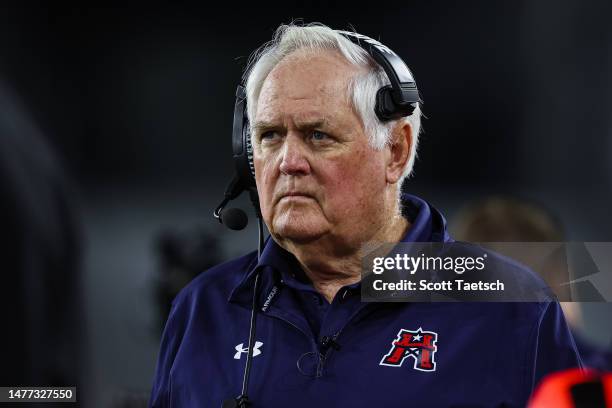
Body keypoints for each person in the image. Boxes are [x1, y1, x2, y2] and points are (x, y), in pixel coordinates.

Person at [149, 23, 581, 407]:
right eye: (269, 136)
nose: (288, 161)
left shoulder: (512, 307)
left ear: (396, 151)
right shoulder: (201, 308)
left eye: (318, 135)